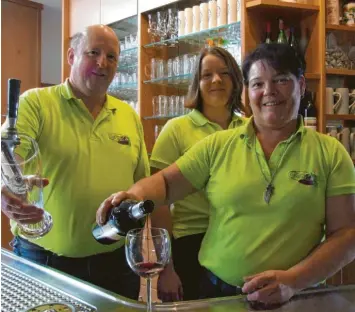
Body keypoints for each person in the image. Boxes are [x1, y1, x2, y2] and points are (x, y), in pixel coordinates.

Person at [97, 43, 355, 305]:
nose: (269, 91)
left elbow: (346, 235)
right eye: (257, 84)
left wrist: (293, 281)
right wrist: (133, 194)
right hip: (217, 295)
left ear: (300, 85)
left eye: (280, 80)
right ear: (246, 91)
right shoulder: (218, 144)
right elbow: (164, 182)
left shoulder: (330, 153)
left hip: (297, 298)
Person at [1, 25, 149, 300]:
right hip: (44, 261)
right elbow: (7, 156)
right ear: (71, 56)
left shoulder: (128, 115)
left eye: (111, 57)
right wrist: (5, 191)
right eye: (93, 53)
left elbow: (142, 183)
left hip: (115, 263)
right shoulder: (35, 103)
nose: (102, 63)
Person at [149, 47, 246, 302]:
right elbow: (159, 203)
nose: (216, 80)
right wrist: (166, 268)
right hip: (191, 243)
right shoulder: (176, 130)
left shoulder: (250, 128)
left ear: (236, 80)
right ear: (197, 83)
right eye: (207, 75)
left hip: (239, 240)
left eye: (224, 73)